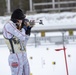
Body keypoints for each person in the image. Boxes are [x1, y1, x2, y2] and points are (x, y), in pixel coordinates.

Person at [3, 8, 34, 75]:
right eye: (21, 19)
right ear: (16, 19)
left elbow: (23, 42)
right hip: (15, 57)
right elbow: (22, 36)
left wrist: (28, 31)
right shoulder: (9, 25)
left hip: (23, 56)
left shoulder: (17, 27)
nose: (22, 21)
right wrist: (24, 28)